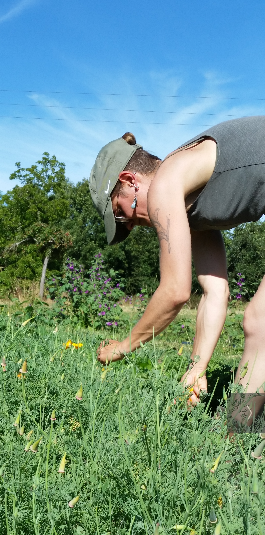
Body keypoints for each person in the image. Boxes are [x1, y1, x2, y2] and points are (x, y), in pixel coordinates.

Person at [89, 116, 265, 419]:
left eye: (122, 213)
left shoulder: (167, 182)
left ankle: (238, 444)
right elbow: (214, 291)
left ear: (131, 180)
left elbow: (175, 291)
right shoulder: (193, 212)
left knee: (260, 321)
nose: (131, 226)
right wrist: (198, 367)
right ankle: (240, 443)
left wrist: (123, 346)